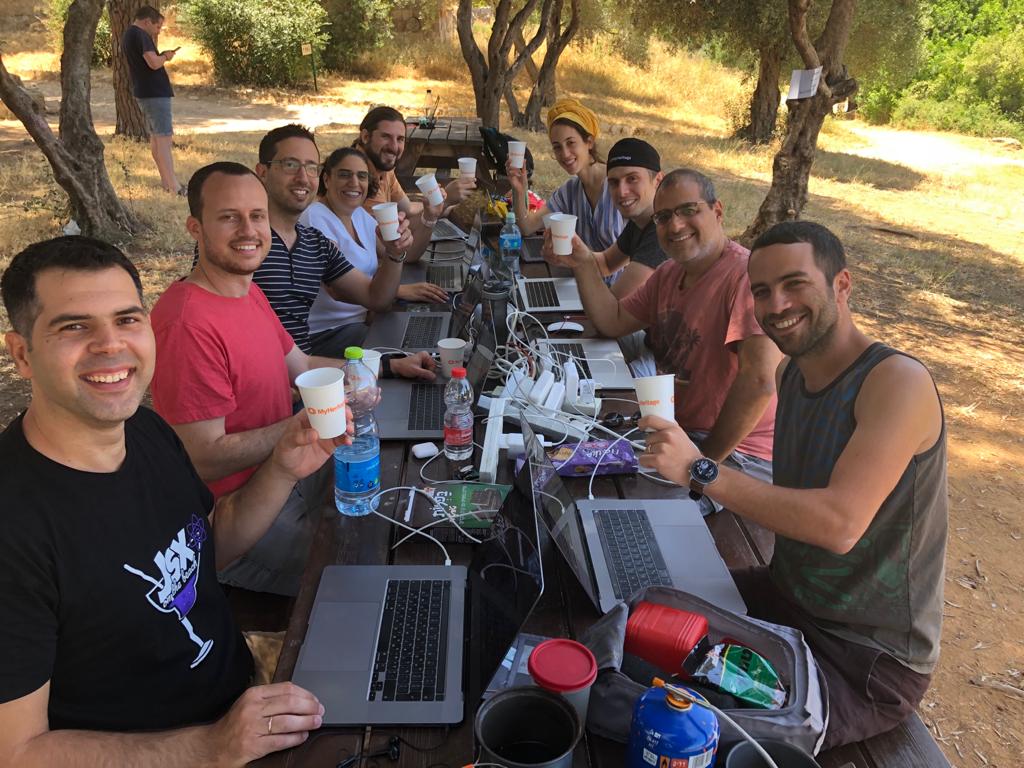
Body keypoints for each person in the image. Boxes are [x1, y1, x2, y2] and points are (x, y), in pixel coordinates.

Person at [0, 235, 338, 764]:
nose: (111, 345)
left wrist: (281, 468)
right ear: (22, 353)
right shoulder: (15, 526)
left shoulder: (148, 431)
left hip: (246, 694)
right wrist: (210, 746)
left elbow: (210, 549)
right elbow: (17, 751)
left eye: (127, 319)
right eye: (74, 327)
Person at [640, 221, 947, 749]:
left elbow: (838, 525)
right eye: (761, 291)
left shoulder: (897, 382)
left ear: (841, 284)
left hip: (864, 659)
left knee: (679, 734)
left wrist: (700, 470)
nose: (776, 304)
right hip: (786, 599)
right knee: (637, 617)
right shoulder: (793, 375)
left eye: (794, 283)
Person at [150, 162, 434, 596]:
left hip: (289, 471)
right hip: (243, 517)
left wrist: (386, 366)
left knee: (405, 497)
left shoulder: (246, 290)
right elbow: (203, 458)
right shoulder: (186, 324)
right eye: (229, 217)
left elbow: (301, 365)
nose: (249, 230)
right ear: (195, 228)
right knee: (376, 561)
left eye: (257, 215)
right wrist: (304, 426)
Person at [550, 167, 779, 505]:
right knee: (572, 465)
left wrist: (700, 465)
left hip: (737, 453)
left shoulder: (744, 277)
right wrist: (583, 263)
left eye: (689, 210)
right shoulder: (670, 273)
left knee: (630, 508)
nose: (675, 226)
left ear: (717, 211)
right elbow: (613, 321)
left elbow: (760, 382)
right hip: (678, 430)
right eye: (664, 217)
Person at [251, 124, 442, 355]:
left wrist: (397, 250)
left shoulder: (316, 240)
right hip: (324, 338)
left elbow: (376, 297)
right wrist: (399, 292)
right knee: (399, 346)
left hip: (308, 359)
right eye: (290, 165)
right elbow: (338, 293)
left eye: (310, 167)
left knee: (412, 345)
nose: (302, 177)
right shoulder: (250, 243)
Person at [299, 146, 449, 356]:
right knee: (406, 352)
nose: (354, 183)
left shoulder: (358, 215)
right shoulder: (315, 218)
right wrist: (399, 291)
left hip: (365, 318)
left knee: (428, 335)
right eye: (344, 175)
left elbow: (408, 255)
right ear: (326, 179)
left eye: (361, 176)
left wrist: (429, 217)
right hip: (329, 333)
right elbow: (337, 290)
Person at [507, 98, 623, 253]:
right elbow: (527, 227)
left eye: (571, 143)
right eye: (557, 147)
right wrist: (519, 190)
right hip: (583, 269)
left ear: (589, 142)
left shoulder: (620, 184)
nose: (565, 154)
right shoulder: (569, 192)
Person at [354, 106, 476, 216]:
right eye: (386, 136)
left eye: (400, 139)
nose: (394, 147)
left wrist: (444, 205)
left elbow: (408, 209)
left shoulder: (382, 168)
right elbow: (393, 230)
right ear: (365, 137)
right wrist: (446, 200)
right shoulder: (359, 177)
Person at [121, 5, 183, 195]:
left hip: (145, 91)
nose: (158, 31)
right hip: (155, 93)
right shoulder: (140, 35)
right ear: (147, 21)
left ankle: (167, 183)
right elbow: (153, 63)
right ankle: (174, 187)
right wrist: (166, 56)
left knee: (157, 139)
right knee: (164, 139)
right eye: (157, 26)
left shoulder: (129, 34)